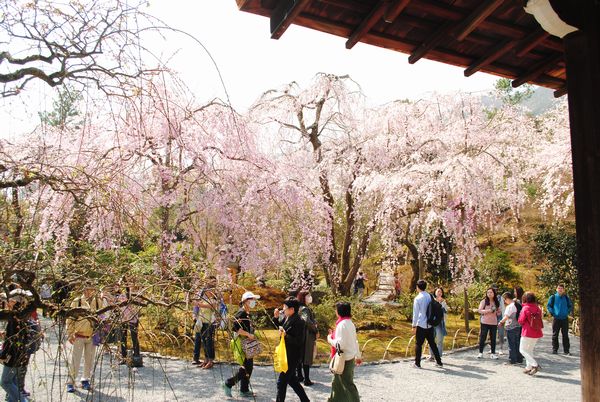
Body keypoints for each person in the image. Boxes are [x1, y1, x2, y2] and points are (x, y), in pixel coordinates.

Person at [66, 283, 105, 392]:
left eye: (91, 289)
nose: (89, 291)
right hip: (79, 334)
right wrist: (70, 333)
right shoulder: (77, 301)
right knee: (75, 360)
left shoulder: (97, 302)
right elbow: (70, 318)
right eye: (87, 289)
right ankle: (71, 382)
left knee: (89, 360)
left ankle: (85, 380)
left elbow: (102, 316)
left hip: (92, 335)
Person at [223, 291, 260, 398]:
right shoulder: (241, 313)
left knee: (249, 367)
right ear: (246, 301)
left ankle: (244, 390)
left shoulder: (246, 313)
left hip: (248, 344)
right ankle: (228, 383)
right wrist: (248, 334)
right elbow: (235, 327)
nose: (254, 302)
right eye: (252, 300)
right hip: (243, 344)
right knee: (245, 368)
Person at [0, 290, 35, 402]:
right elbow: (17, 335)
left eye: (8, 301)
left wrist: (3, 355)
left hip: (14, 355)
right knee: (14, 381)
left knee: (5, 382)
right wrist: (6, 334)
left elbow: (13, 341)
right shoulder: (23, 315)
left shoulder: (14, 318)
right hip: (22, 355)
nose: (6, 303)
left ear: (14, 302)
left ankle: (23, 401)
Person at [274, 297, 310, 402]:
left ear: (292, 309)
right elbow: (281, 327)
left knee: (281, 382)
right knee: (292, 381)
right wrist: (276, 318)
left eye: (284, 308)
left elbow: (299, 341)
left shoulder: (299, 321)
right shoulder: (288, 317)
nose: (283, 310)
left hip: (293, 356)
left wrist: (285, 336)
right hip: (285, 354)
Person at [327, 301, 361, 402]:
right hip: (349, 357)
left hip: (343, 359)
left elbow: (340, 344)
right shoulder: (350, 323)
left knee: (345, 383)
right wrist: (358, 355)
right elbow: (354, 341)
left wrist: (330, 339)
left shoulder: (341, 324)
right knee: (337, 383)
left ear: (339, 311)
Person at [411, 279, 443, 368]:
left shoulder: (417, 298)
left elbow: (416, 313)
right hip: (430, 323)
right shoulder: (430, 296)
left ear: (417, 287)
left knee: (418, 344)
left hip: (421, 324)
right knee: (432, 343)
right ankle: (439, 362)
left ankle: (417, 363)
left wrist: (414, 326)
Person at [192, 276, 218, 369]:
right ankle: (206, 359)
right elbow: (197, 306)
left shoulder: (214, 299)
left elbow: (211, 305)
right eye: (207, 291)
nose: (208, 292)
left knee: (209, 341)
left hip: (210, 323)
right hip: (202, 322)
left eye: (210, 291)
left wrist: (198, 304)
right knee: (204, 341)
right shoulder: (203, 298)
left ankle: (210, 360)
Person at [518, 292, 544, 375]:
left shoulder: (525, 308)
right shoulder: (538, 308)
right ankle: (528, 367)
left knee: (522, 350)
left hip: (527, 332)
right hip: (536, 332)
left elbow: (521, 320)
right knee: (529, 350)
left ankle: (534, 365)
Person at [296, 291, 317, 386]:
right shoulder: (305, 309)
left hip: (300, 335)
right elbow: (307, 320)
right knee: (306, 356)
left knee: (300, 356)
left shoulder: (298, 308)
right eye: (308, 295)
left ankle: (300, 376)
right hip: (307, 335)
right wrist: (315, 329)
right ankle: (307, 379)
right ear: (303, 298)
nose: (310, 297)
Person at [118, 285, 142, 367]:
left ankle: (136, 356)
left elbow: (138, 304)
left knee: (134, 337)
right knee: (122, 338)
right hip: (123, 319)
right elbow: (118, 304)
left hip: (133, 319)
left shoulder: (137, 295)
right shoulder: (122, 295)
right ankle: (123, 357)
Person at [547, 284, 573, 355]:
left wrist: (567, 312)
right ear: (556, 289)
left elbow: (570, 306)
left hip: (564, 318)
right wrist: (553, 313)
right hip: (556, 318)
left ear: (563, 290)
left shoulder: (566, 297)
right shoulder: (553, 297)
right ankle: (555, 349)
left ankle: (566, 351)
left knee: (565, 335)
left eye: (561, 288)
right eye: (559, 288)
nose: (560, 289)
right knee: (555, 334)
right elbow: (549, 306)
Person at [498, 292, 523, 365]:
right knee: (517, 343)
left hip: (511, 327)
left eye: (504, 300)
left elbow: (506, 317)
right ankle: (519, 359)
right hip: (518, 326)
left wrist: (501, 322)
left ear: (507, 299)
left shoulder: (510, 306)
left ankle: (513, 359)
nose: (505, 302)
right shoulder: (518, 304)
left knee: (511, 344)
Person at [477, 287, 501, 359]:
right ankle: (480, 353)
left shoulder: (496, 302)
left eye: (491, 292)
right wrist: (489, 310)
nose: (489, 294)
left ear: (494, 293)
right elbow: (480, 310)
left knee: (493, 338)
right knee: (483, 337)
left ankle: (493, 353)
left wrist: (498, 311)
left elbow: (498, 313)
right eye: (488, 292)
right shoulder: (484, 301)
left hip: (493, 322)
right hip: (485, 322)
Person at [428, 287, 448, 360]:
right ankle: (431, 355)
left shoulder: (443, 301)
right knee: (431, 340)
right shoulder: (431, 301)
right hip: (432, 323)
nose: (439, 293)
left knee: (439, 340)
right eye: (438, 291)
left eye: (441, 292)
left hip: (440, 323)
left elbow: (446, 311)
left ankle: (438, 357)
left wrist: (441, 303)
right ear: (435, 292)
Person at [491, 284, 506, 355]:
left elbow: (503, 308)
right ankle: (492, 348)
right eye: (494, 289)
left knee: (501, 333)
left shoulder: (500, 298)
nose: (495, 291)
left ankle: (501, 348)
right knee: (492, 333)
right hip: (491, 317)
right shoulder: (489, 297)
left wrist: (504, 318)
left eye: (496, 289)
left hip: (499, 317)